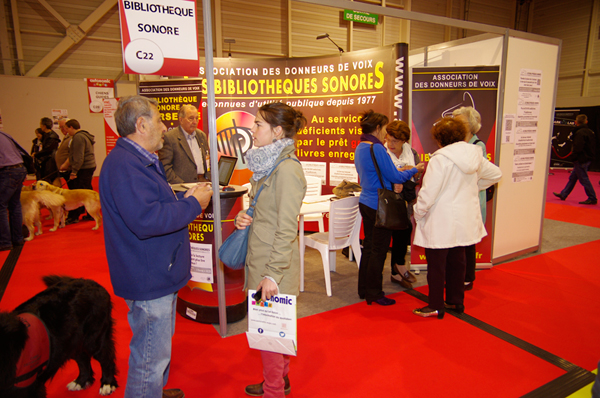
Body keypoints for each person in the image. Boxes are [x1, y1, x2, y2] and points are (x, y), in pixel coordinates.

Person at [99, 96, 212, 398]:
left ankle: (155, 392)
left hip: (155, 271)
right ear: (141, 124)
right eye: (160, 121)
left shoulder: (137, 160)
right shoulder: (126, 166)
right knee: (150, 359)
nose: (164, 128)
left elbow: (150, 207)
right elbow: (146, 220)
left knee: (156, 351)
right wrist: (192, 205)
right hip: (148, 275)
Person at [234, 102, 307, 398]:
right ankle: (279, 381)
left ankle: (274, 391)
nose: (253, 130)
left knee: (268, 335)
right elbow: (268, 214)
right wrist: (246, 217)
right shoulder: (270, 165)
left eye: (259, 125)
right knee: (276, 330)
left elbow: (288, 228)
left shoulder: (287, 170)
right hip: (263, 260)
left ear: (277, 131)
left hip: (273, 269)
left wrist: (273, 276)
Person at [412, 117, 502, 319]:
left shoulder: (439, 159)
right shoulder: (474, 154)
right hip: (464, 219)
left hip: (440, 220)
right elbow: (496, 174)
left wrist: (418, 213)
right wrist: (473, 187)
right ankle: (455, 301)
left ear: (439, 138)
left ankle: (435, 305)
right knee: (457, 262)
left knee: (436, 266)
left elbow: (428, 193)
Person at [354, 110, 424, 306]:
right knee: (378, 251)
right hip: (379, 205)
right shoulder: (376, 148)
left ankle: (364, 289)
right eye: (384, 128)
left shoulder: (360, 147)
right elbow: (396, 176)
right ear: (377, 128)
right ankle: (374, 293)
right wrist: (414, 169)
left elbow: (371, 174)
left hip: (367, 201)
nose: (385, 133)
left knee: (369, 248)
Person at [452, 106, 486, 291]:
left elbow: (481, 174)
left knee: (468, 241)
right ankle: (460, 275)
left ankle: (467, 277)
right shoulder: (455, 144)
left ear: (471, 125)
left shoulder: (477, 146)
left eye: (460, 120)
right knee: (459, 241)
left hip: (471, 199)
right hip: (457, 200)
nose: (455, 123)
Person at [384, 120, 421, 289]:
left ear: (404, 141)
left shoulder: (411, 153)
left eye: (395, 141)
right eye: (389, 139)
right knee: (385, 237)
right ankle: (393, 270)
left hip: (405, 200)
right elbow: (381, 175)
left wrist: (407, 173)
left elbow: (418, 176)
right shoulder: (382, 153)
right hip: (386, 200)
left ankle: (397, 269)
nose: (391, 144)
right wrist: (404, 172)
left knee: (404, 231)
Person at [158, 104, 209, 184]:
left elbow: (207, 159)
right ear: (181, 120)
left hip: (203, 183)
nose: (195, 122)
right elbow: (165, 167)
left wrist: (209, 179)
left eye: (196, 118)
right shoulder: (170, 137)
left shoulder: (202, 135)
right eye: (191, 118)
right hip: (182, 188)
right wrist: (181, 185)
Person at [553, 114, 597, 205]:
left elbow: (578, 147)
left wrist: (574, 157)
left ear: (576, 122)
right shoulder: (590, 132)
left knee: (584, 179)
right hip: (587, 157)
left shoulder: (579, 133)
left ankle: (592, 197)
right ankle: (564, 194)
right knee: (573, 177)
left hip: (581, 159)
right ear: (586, 122)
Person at [60, 119, 96, 224]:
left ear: (71, 127)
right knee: (87, 192)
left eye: (66, 128)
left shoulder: (78, 137)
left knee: (79, 193)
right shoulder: (84, 135)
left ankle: (75, 216)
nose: (66, 131)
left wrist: (74, 171)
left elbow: (78, 157)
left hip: (83, 168)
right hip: (87, 167)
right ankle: (90, 214)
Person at [0, 131, 28, 251]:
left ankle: (5, 242)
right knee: (15, 205)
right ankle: (17, 238)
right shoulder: (4, 134)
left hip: (7, 171)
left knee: (0, 206)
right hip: (19, 168)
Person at [34, 117, 61, 184]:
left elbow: (48, 150)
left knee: (51, 180)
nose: (40, 126)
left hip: (50, 161)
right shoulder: (45, 135)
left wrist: (36, 154)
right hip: (46, 160)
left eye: (41, 124)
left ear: (44, 126)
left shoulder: (52, 136)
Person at [55, 118, 73, 187]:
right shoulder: (66, 137)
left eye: (63, 127)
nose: (62, 129)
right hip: (65, 170)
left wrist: (66, 164)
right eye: (60, 127)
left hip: (70, 169)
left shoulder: (72, 137)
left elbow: (73, 153)